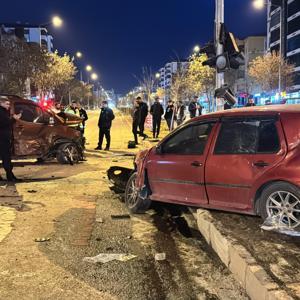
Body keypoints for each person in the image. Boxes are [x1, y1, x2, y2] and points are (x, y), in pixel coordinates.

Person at [0, 98, 21, 182]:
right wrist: (14, 119)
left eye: (9, 104)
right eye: (7, 104)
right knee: (6, 157)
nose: (8, 106)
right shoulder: (1, 112)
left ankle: (10, 175)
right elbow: (4, 123)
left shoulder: (4, 112)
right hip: (2, 138)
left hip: (4, 138)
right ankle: (10, 176)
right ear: (1, 103)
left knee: (6, 157)